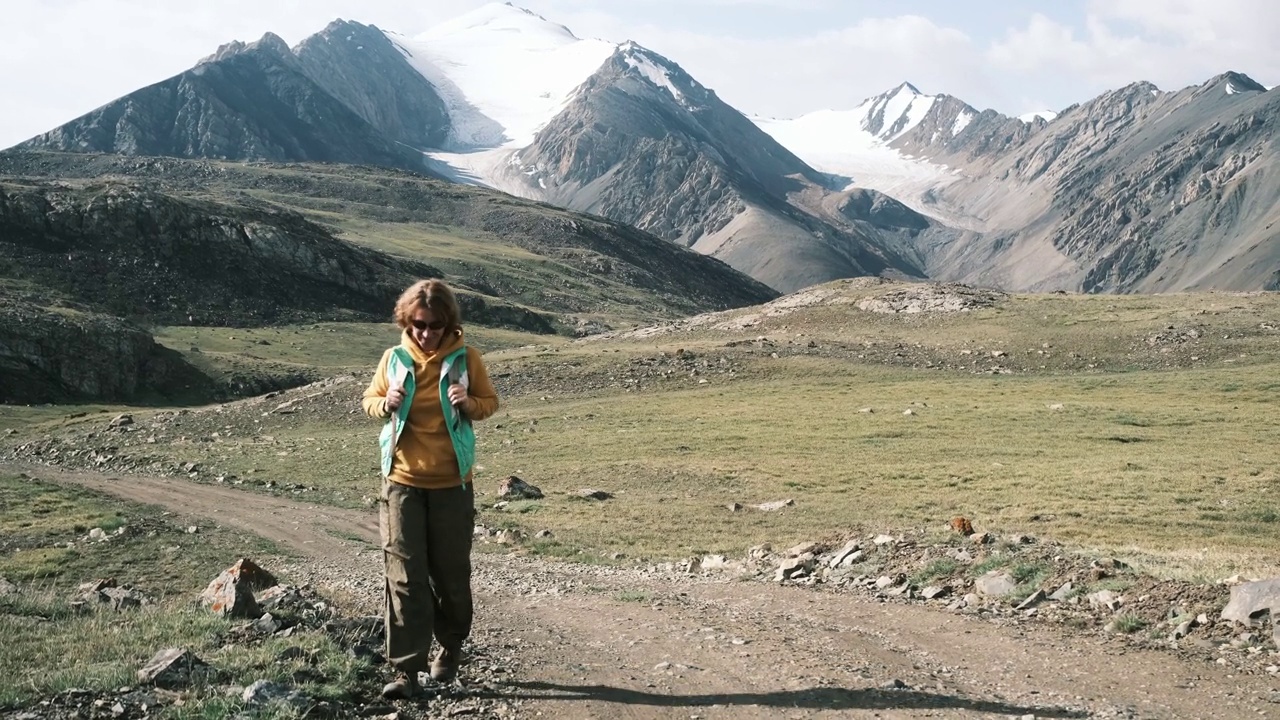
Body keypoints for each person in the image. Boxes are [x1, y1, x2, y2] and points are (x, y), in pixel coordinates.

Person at [361, 279, 499, 699]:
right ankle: (407, 671)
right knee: (404, 577)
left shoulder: (466, 359)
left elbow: (489, 402)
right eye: (418, 324)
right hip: (401, 481)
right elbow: (369, 400)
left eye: (434, 325)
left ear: (447, 322)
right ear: (408, 320)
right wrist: (384, 404)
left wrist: (468, 402)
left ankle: (451, 645)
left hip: (452, 484)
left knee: (451, 575)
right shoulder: (394, 358)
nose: (426, 332)